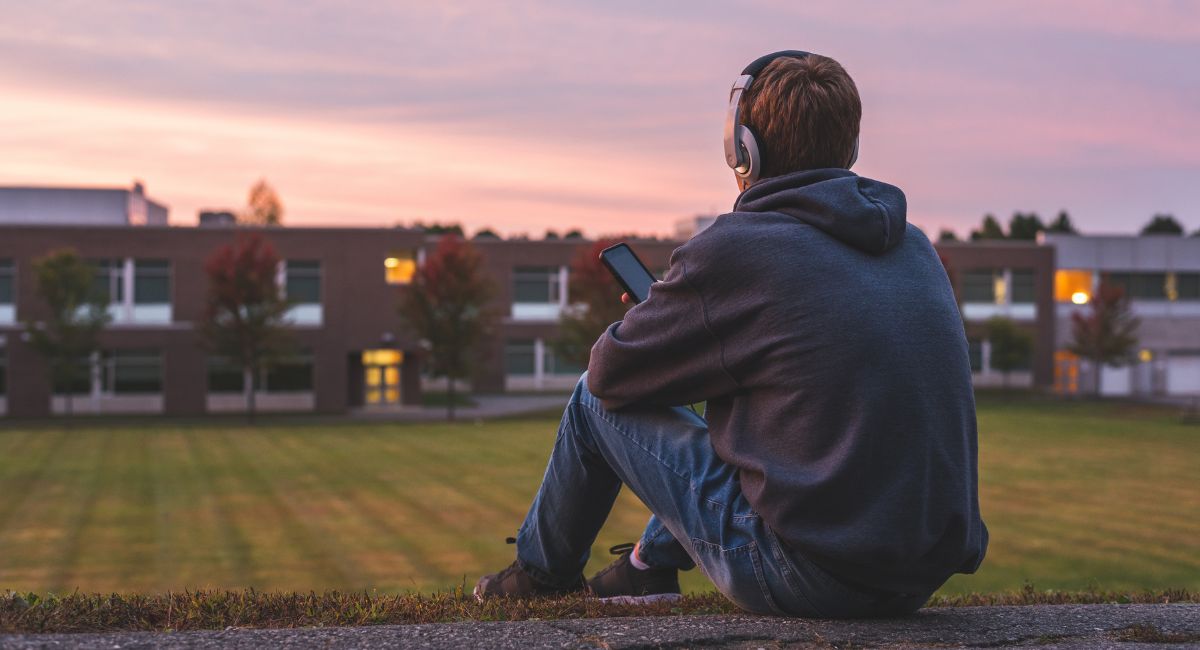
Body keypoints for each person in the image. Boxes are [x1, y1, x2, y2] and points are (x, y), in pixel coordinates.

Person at [474, 50, 987, 618]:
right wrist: (701, 330)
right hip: (914, 578)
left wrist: (658, 324)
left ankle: (540, 576)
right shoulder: (912, 245)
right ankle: (648, 565)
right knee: (757, 409)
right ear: (852, 147)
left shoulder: (739, 248)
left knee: (591, 400)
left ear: (742, 148)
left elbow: (611, 373)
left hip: (807, 575)